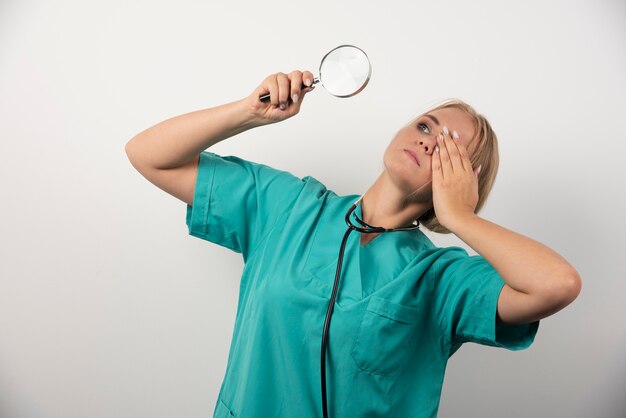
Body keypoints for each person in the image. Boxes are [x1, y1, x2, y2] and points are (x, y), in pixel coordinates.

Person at [125, 70, 582, 417]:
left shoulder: (443, 279)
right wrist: (249, 111)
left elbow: (556, 284)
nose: (427, 144)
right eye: (426, 127)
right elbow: (149, 156)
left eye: (449, 150)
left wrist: (459, 216)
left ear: (461, 180)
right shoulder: (289, 204)